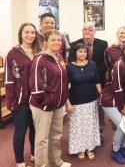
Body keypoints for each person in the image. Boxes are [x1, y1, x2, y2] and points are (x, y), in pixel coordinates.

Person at [29, 30, 71, 167]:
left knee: (56, 135)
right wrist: (45, 103)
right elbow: (35, 86)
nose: (57, 43)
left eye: (59, 40)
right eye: (53, 40)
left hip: (58, 105)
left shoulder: (60, 57)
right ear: (45, 42)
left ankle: (56, 161)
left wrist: (64, 100)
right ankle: (42, 165)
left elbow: (64, 82)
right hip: (43, 106)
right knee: (42, 139)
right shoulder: (40, 59)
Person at [5, 23, 41, 167]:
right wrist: (11, 101)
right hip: (21, 101)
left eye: (33, 32)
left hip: (37, 99)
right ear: (21, 34)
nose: (30, 35)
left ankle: (34, 154)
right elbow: (9, 79)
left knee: (35, 130)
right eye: (27, 32)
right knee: (20, 131)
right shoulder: (13, 53)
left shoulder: (39, 51)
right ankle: (20, 161)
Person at [100, 40, 125, 164]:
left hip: (120, 101)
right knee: (123, 125)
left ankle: (123, 147)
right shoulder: (120, 64)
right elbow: (118, 89)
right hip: (109, 100)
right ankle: (115, 151)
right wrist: (123, 107)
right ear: (123, 51)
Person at [70, 22, 108, 136]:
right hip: (80, 82)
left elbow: (105, 62)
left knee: (99, 107)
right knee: (83, 109)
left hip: (99, 80)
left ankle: (99, 131)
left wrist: (93, 72)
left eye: (90, 30)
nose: (87, 32)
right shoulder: (74, 44)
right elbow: (71, 62)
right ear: (82, 32)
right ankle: (83, 132)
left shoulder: (103, 44)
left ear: (94, 32)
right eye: (84, 29)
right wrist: (84, 73)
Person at [66, 43, 102, 160]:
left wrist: (101, 96)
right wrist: (68, 103)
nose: (83, 54)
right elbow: (65, 87)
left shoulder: (92, 64)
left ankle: (89, 148)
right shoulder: (69, 67)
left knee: (90, 125)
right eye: (80, 51)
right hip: (76, 102)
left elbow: (97, 81)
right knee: (78, 127)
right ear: (75, 52)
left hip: (91, 101)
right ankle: (79, 149)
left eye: (85, 51)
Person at [104, 26, 125, 140]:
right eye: (122, 33)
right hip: (116, 83)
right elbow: (107, 65)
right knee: (117, 110)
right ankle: (119, 137)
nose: (124, 35)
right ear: (117, 34)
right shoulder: (110, 49)